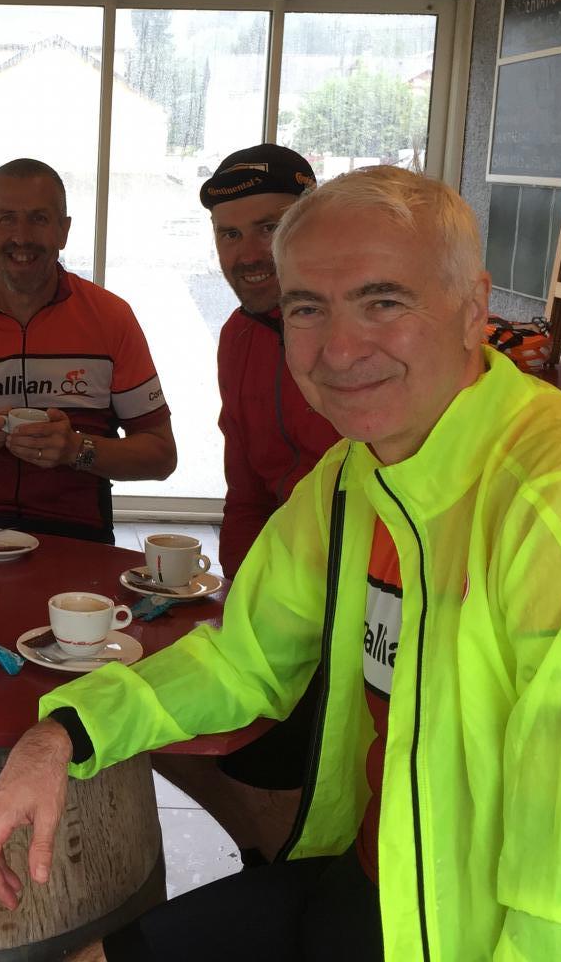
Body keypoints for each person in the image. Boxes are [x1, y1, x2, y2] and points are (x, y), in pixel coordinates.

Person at [0, 166, 561, 960]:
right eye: (308, 309)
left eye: (383, 301)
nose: (340, 350)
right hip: (388, 884)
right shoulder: (357, 477)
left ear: (473, 310)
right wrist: (64, 733)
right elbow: (242, 660)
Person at [150, 144, 342, 864]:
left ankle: (288, 866)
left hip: (365, 597)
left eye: (270, 228)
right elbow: (247, 491)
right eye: (229, 234)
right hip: (282, 590)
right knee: (170, 711)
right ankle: (269, 859)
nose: (247, 254)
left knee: (289, 764)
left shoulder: (354, 337)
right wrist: (239, 595)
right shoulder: (237, 337)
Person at [0, 157, 176, 544]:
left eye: (39, 219)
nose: (21, 237)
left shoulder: (111, 319)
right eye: (6, 218)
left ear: (63, 230)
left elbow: (161, 455)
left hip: (78, 536)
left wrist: (76, 449)